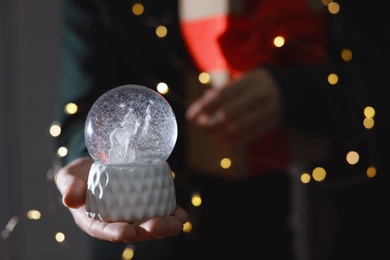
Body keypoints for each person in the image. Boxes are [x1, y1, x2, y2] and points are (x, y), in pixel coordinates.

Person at [53, 0, 390, 259]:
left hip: (260, 232)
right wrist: (85, 162)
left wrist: (294, 91)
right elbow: (81, 109)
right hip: (134, 243)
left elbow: (375, 76)